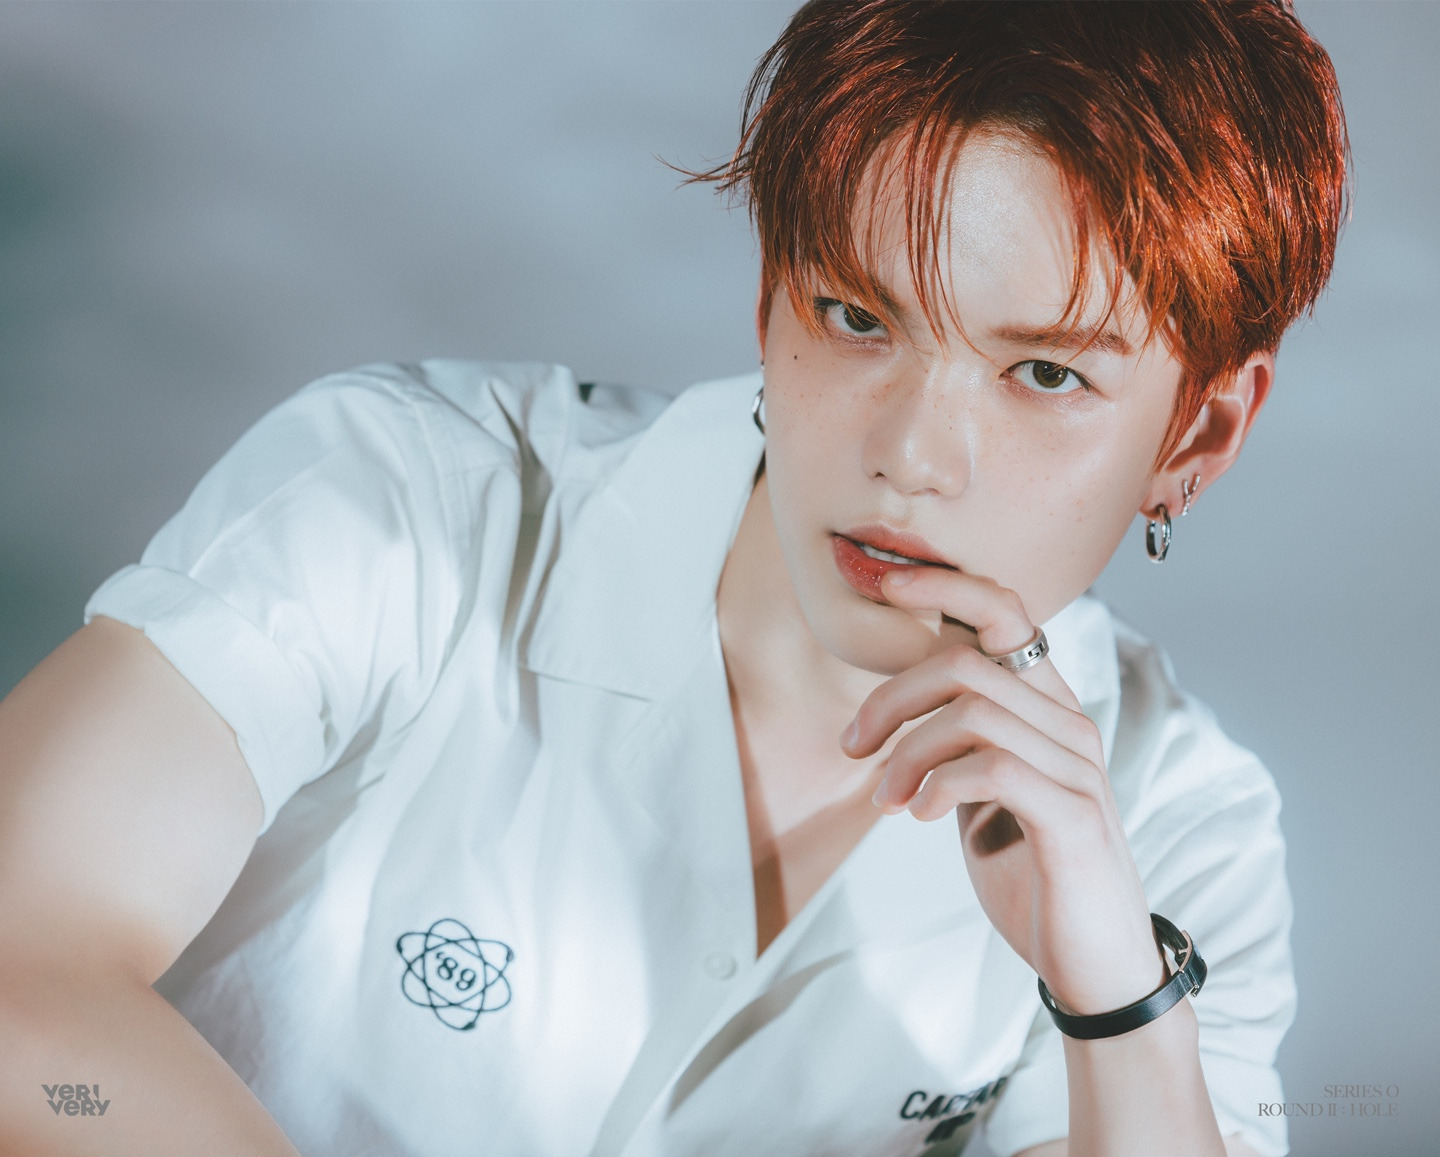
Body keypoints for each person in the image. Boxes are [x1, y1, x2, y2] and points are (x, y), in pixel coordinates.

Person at [0, 1, 1347, 1154]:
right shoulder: (408, 502)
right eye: (856, 316)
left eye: (1044, 374)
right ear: (770, 297)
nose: (912, 455)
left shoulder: (1182, 828)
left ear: (1200, 434)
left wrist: (1115, 1000)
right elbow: (19, 1001)